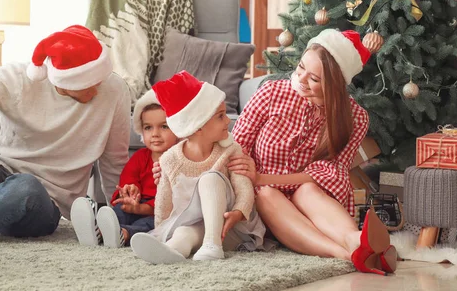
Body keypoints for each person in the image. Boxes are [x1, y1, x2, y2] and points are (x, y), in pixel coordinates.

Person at [0, 25, 130, 245]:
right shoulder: (20, 77)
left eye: (99, 81)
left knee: (26, 186)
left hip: (43, 207)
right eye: (87, 84)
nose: (95, 91)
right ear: (63, 81)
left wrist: (121, 216)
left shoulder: (115, 89)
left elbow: (114, 163)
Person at [228, 29, 397, 275]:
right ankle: (349, 254)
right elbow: (237, 145)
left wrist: (264, 178)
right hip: (261, 196)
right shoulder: (272, 93)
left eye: (314, 79)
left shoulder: (354, 117)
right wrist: (255, 180)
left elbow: (328, 173)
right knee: (266, 195)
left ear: (336, 85)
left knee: (306, 190)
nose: (300, 79)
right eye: (300, 67)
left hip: (309, 194)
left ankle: (355, 240)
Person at [130, 71, 268, 264]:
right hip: (194, 225)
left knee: (210, 177)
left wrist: (238, 212)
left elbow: (243, 188)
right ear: (198, 127)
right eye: (220, 116)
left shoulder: (231, 150)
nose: (228, 121)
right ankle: (173, 249)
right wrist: (161, 231)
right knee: (185, 232)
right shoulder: (170, 159)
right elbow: (164, 201)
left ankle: (213, 245)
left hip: (231, 227)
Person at [71, 89, 178, 248]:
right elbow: (129, 178)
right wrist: (129, 191)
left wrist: (143, 208)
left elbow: (177, 199)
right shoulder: (141, 156)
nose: (155, 134)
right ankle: (98, 230)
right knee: (119, 210)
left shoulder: (180, 158)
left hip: (159, 211)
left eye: (164, 126)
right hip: (136, 204)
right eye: (148, 128)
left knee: (153, 225)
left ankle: (123, 234)